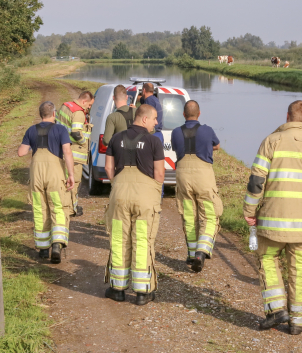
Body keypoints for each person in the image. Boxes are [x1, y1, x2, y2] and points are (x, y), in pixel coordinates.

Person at [244, 100, 302, 335]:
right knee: (300, 269)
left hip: (272, 221)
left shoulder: (271, 141)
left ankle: (276, 310)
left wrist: (250, 211)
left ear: (287, 116)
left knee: (268, 259)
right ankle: (297, 322)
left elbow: (256, 182)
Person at [103, 104, 164, 305]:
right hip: (145, 196)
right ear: (144, 119)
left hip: (119, 194)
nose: (156, 122)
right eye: (154, 118)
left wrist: (118, 184)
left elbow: (109, 168)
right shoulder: (154, 141)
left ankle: (117, 289)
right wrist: (153, 191)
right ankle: (142, 293)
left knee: (119, 238)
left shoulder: (116, 138)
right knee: (142, 240)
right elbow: (160, 173)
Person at [17, 101, 76, 264]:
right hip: (54, 174)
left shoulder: (31, 130)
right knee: (58, 207)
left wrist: (31, 143)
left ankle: (43, 249)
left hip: (37, 174)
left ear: (40, 114)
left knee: (39, 208)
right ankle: (57, 244)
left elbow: (21, 152)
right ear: (54, 114)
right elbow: (67, 152)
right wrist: (71, 174)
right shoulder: (60, 129)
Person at [171, 100, 222, 273]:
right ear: (199, 114)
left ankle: (192, 255)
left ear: (183, 114)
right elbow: (217, 145)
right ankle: (202, 251)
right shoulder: (207, 130)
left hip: (183, 176)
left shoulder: (176, 132)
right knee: (209, 215)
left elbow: (177, 148)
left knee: (189, 215)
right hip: (203, 177)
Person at [56, 90, 95, 217]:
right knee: (74, 181)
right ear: (84, 101)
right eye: (89, 105)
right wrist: (84, 143)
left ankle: (62, 204)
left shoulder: (65, 106)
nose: (89, 108)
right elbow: (76, 133)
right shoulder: (78, 113)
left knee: (63, 179)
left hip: (61, 149)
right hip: (74, 153)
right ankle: (72, 208)